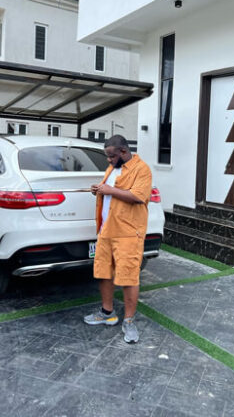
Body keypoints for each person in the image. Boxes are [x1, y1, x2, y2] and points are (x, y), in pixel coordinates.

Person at [83, 135, 152, 343]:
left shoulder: (142, 169)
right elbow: (111, 194)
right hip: (106, 230)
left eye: (111, 156)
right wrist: (99, 190)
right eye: (108, 157)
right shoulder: (112, 169)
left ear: (123, 152)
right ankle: (107, 313)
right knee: (104, 272)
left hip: (128, 234)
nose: (109, 160)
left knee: (129, 276)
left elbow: (139, 196)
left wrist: (109, 190)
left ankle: (129, 321)